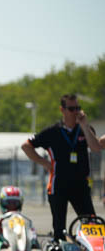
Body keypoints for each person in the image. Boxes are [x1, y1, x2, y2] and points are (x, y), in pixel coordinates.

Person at [21, 94, 101, 242]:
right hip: (59, 185)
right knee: (60, 230)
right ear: (62, 110)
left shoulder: (85, 129)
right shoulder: (52, 132)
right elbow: (26, 146)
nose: (76, 112)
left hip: (81, 185)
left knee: (92, 225)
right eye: (71, 109)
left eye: (78, 108)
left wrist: (84, 125)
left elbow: (96, 148)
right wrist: (44, 163)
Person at [0, 186, 35, 251]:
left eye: (15, 203)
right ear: (2, 203)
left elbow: (33, 238)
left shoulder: (27, 221)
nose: (12, 206)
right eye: (8, 203)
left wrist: (33, 244)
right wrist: (0, 245)